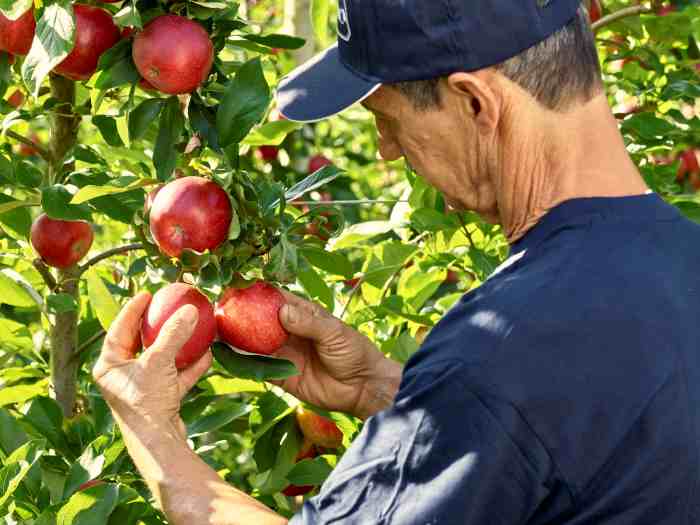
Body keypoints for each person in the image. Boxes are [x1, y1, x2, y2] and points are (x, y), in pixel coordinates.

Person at [94, 0, 700, 523]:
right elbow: (586, 447)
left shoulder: (504, 349)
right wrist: (388, 393)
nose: (385, 150)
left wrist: (156, 435)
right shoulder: (679, 264)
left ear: (474, 102)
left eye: (389, 120)